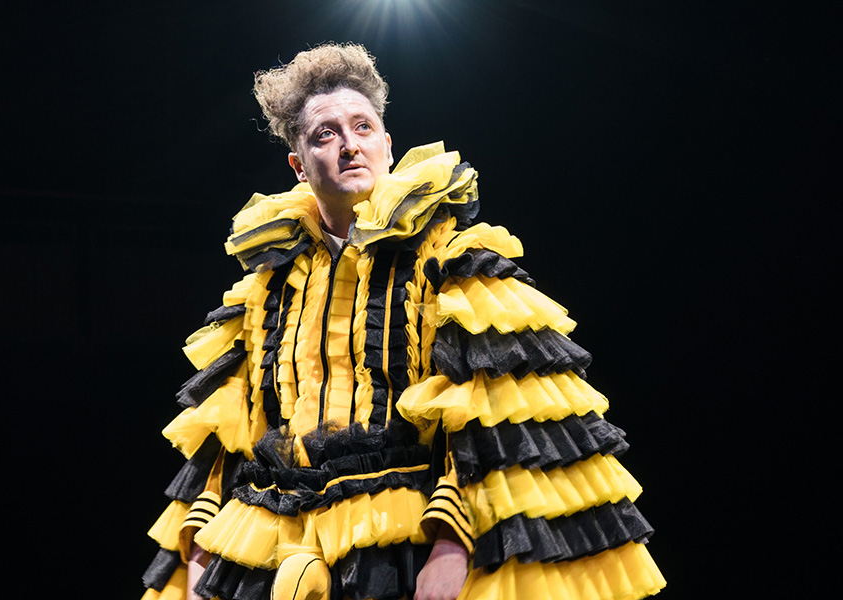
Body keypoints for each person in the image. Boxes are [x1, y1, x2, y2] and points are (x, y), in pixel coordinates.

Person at [139, 43, 665, 600]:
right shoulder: (266, 286)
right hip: (273, 550)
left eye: (362, 127)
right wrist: (202, 556)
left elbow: (489, 416)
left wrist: (450, 548)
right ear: (298, 164)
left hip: (400, 546)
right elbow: (227, 439)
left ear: (387, 144)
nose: (348, 145)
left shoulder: (448, 260)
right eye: (326, 134)